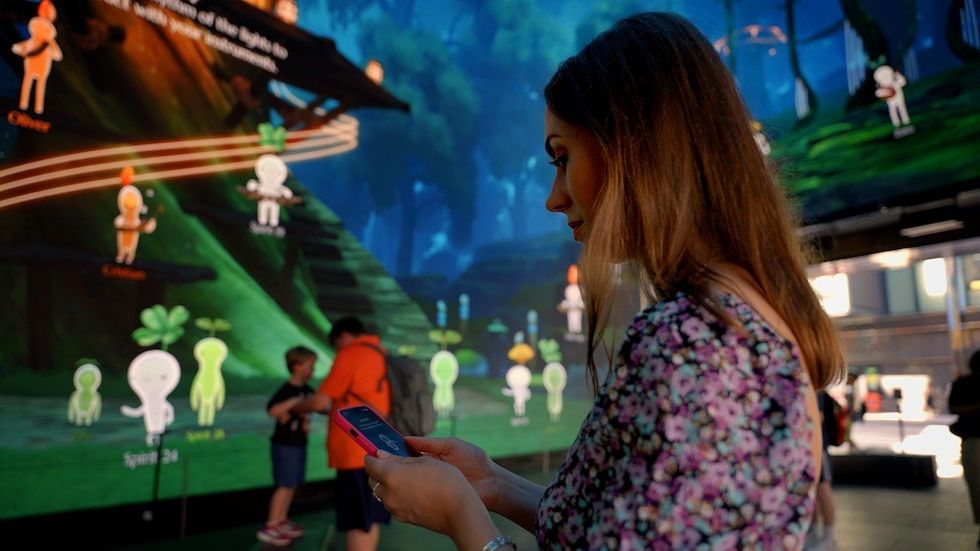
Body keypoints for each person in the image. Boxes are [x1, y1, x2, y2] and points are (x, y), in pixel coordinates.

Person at [362, 12, 844, 551]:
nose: (554, 196)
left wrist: (460, 515)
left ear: (635, 146)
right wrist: (493, 486)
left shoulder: (690, 341)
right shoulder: (734, 317)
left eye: (563, 158)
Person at [300, 317, 391, 551]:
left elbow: (320, 400)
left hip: (353, 450)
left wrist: (295, 406)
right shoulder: (381, 352)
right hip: (377, 446)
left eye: (336, 345)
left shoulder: (350, 354)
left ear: (342, 337)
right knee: (370, 519)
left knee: (356, 521)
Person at [257, 346, 317, 546]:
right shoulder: (287, 390)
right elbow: (273, 410)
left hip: (299, 443)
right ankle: (271, 525)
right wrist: (293, 403)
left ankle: (281, 521)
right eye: (310, 366)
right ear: (297, 366)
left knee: (292, 484)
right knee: (284, 484)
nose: (313, 370)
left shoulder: (308, 390)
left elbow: (315, 407)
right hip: (285, 445)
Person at [950, 349, 980, 548]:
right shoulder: (963, 384)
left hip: (972, 442)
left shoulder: (961, 383)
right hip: (973, 441)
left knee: (977, 487)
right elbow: (955, 408)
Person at [806, 391, 840, 550]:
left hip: (818, 448)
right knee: (813, 490)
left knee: (823, 489)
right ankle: (816, 530)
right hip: (809, 447)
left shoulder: (816, 391)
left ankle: (829, 537)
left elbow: (817, 417)